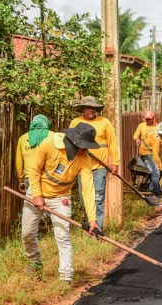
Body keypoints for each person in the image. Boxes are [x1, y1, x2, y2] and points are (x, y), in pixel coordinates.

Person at [22, 122, 101, 283]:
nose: (84, 150)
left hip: (61, 197)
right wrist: (37, 195)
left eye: (87, 147)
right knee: (28, 233)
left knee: (63, 236)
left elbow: (87, 188)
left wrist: (92, 219)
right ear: (73, 140)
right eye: (82, 146)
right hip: (37, 192)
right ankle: (35, 261)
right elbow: (34, 169)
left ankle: (66, 276)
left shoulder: (84, 159)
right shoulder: (49, 144)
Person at [70, 96, 120, 232]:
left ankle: (98, 227)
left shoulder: (104, 122)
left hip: (99, 166)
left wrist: (115, 163)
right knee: (83, 198)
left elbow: (112, 143)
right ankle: (89, 226)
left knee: (97, 197)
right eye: (88, 107)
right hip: (82, 166)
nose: (91, 110)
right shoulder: (75, 122)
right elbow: (69, 142)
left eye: (93, 108)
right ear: (83, 109)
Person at [16, 114, 54, 193]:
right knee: (49, 203)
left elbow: (19, 162)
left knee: (32, 203)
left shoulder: (22, 138)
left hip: (30, 177)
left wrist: (21, 180)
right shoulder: (53, 136)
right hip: (49, 177)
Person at [134, 111, 162, 198]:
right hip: (145, 153)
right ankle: (158, 192)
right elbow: (135, 135)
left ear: (153, 119)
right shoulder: (141, 126)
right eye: (146, 119)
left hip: (154, 152)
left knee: (156, 172)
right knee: (156, 172)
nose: (147, 121)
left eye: (149, 119)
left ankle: (150, 189)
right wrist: (137, 139)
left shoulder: (157, 127)